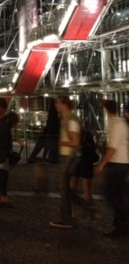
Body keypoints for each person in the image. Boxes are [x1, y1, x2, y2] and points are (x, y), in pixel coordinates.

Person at [49, 95, 97, 229]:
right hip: (68, 157)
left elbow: (75, 142)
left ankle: (69, 217)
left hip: (70, 158)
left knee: (64, 189)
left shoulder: (71, 120)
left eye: (57, 103)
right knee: (65, 189)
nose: (55, 106)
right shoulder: (66, 119)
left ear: (64, 104)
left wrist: (61, 142)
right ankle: (77, 212)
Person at [94, 99, 129, 238]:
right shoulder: (121, 123)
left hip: (118, 164)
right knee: (117, 196)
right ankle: (120, 225)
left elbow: (112, 148)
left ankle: (121, 227)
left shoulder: (117, 124)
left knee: (113, 196)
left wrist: (101, 164)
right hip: (121, 163)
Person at [0, 111, 22, 208]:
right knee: (1, 176)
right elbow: (5, 140)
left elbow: (0, 138)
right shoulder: (5, 126)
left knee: (2, 175)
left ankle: (1, 197)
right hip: (0, 154)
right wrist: (10, 150)